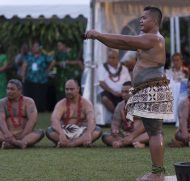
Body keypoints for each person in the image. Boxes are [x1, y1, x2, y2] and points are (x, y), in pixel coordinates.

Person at [84, 6, 173, 180]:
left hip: (151, 89)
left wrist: (98, 34)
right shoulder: (148, 39)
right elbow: (118, 43)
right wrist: (98, 37)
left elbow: (124, 41)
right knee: (153, 131)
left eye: (144, 18)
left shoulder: (153, 38)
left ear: (154, 21)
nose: (140, 20)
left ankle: (157, 174)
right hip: (147, 89)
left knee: (155, 132)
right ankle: (157, 172)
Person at [46, 79, 102, 147]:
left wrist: (88, 133)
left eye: (72, 89)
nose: (69, 91)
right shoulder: (61, 104)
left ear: (78, 89)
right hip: (65, 132)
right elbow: (54, 119)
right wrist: (61, 134)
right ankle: (77, 143)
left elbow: (92, 119)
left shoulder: (86, 103)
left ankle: (69, 144)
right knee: (49, 131)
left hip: (82, 132)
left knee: (97, 130)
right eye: (67, 89)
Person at [101, 81, 148, 148]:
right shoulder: (120, 105)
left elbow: (147, 125)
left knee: (154, 134)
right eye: (122, 91)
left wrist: (132, 136)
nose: (123, 94)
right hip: (125, 134)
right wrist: (115, 130)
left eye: (126, 92)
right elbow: (115, 123)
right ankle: (133, 143)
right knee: (105, 136)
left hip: (140, 134)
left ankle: (123, 143)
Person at [0, 79, 44, 149]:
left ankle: (11, 144)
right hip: (6, 134)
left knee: (40, 133)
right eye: (7, 89)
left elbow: (32, 120)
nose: (9, 91)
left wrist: (23, 135)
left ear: (20, 91)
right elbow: (1, 121)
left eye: (12, 89)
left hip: (24, 134)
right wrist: (8, 134)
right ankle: (19, 143)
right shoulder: (2, 102)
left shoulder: (29, 102)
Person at [21, 41, 55, 112]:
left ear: (40, 47)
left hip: (41, 79)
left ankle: (40, 109)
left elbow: (53, 61)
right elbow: (24, 65)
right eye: (33, 46)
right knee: (30, 95)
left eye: (36, 46)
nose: (34, 48)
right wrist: (23, 76)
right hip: (31, 79)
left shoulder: (44, 56)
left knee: (40, 96)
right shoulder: (29, 56)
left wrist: (47, 70)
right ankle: (29, 109)